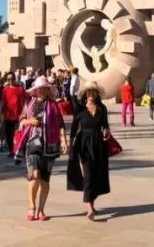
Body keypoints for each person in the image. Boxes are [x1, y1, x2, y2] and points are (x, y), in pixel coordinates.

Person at [18, 75, 67, 221]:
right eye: (40, 89)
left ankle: (41, 210)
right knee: (35, 175)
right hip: (33, 144)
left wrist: (64, 140)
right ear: (36, 90)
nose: (42, 91)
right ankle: (31, 206)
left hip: (50, 145)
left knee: (45, 180)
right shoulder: (29, 103)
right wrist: (29, 121)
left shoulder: (53, 105)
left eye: (45, 89)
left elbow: (60, 124)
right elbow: (21, 121)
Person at [67, 83, 110, 220]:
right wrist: (69, 145)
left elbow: (105, 125)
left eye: (93, 92)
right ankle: (89, 208)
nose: (91, 94)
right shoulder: (79, 110)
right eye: (88, 92)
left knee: (96, 175)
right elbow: (74, 129)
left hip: (98, 145)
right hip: (83, 145)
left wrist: (106, 132)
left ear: (97, 94)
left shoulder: (102, 108)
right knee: (88, 174)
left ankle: (92, 202)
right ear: (85, 94)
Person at [0, 73, 26, 159]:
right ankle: (11, 150)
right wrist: (0, 113)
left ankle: (17, 150)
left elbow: (24, 102)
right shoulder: (5, 90)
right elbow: (3, 102)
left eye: (12, 79)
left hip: (18, 116)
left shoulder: (20, 89)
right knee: (8, 135)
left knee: (17, 134)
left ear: (15, 79)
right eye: (9, 79)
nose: (11, 81)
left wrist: (24, 114)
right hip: (7, 115)